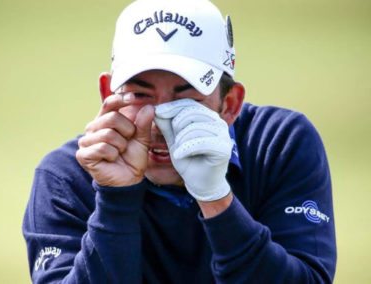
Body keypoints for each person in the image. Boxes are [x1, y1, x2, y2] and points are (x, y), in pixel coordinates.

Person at [22, 0, 337, 283]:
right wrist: (115, 199)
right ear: (108, 94)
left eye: (186, 97)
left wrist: (216, 199)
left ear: (229, 104)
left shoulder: (278, 144)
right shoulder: (66, 176)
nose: (159, 122)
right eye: (139, 95)